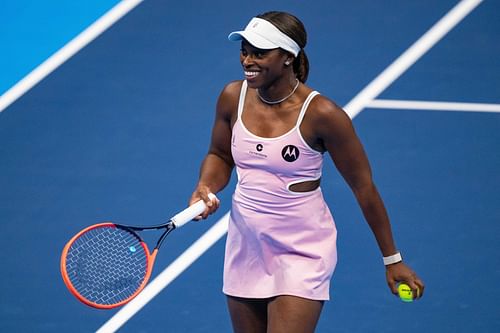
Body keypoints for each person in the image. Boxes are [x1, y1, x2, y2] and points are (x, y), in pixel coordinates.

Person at [190, 11, 425, 333]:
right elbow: (219, 154)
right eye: (244, 50)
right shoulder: (233, 96)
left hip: (301, 247)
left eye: (260, 53)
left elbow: (363, 187)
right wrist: (206, 185)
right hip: (246, 241)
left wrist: (392, 259)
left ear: (287, 57)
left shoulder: (323, 114)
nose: (248, 59)